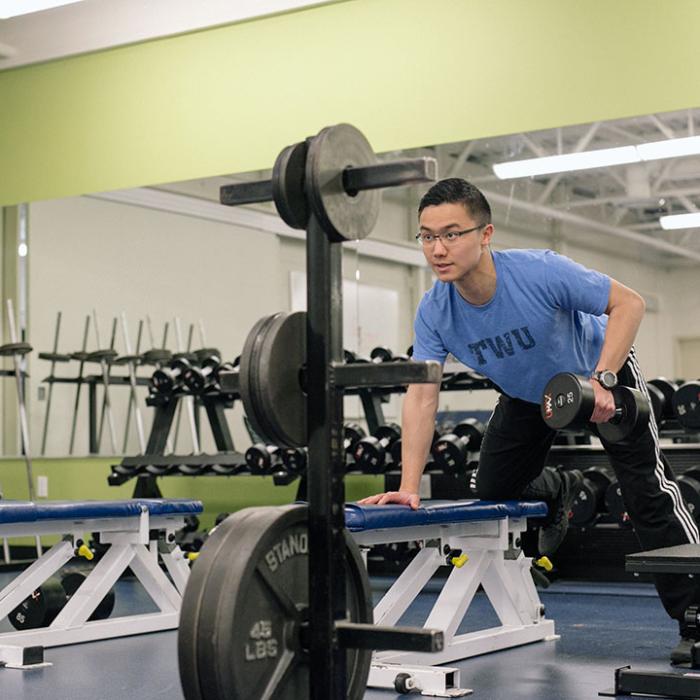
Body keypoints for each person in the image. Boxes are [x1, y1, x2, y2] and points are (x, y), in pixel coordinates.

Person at [358, 177, 700, 643]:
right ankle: (559, 487)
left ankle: (694, 618)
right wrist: (408, 486)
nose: (438, 248)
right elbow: (421, 395)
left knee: (646, 492)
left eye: (452, 233)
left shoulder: (539, 271)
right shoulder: (434, 312)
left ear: (485, 234)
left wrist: (604, 379)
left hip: (595, 371)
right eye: (427, 235)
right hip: (526, 395)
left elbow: (630, 304)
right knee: (492, 490)